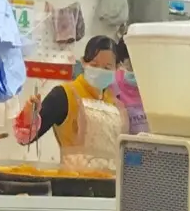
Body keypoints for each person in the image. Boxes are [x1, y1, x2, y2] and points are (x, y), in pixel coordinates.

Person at [18, 35, 121, 174]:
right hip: (73, 183)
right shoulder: (64, 95)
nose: (100, 71)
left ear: (117, 68)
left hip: (110, 184)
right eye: (94, 65)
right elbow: (25, 139)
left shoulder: (115, 104)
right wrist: (30, 115)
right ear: (83, 63)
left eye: (107, 68)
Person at [112, 37, 148, 136]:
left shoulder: (155, 83)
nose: (135, 69)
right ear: (121, 63)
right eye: (130, 66)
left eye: (140, 64)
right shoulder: (113, 83)